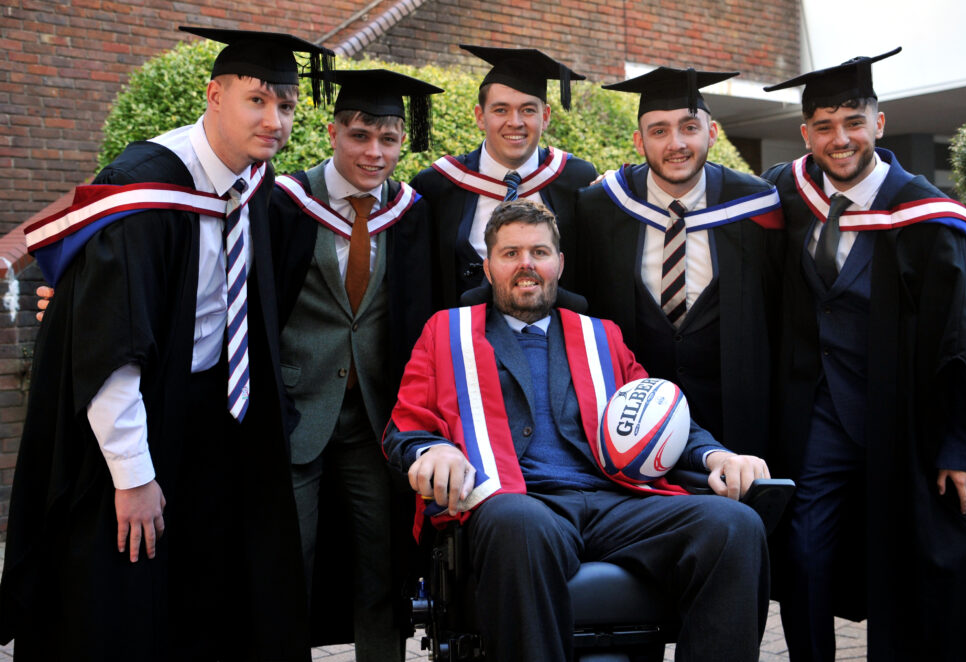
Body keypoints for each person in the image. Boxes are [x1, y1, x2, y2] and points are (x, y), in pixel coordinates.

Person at [1, 27, 333, 661]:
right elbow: (108, 347)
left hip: (218, 414)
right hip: (135, 422)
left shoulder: (253, 184)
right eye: (257, 100)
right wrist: (132, 474)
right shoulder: (143, 187)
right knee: (127, 593)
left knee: (211, 591)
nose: (274, 120)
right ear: (214, 95)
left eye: (286, 106)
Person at [383, 198, 772, 662]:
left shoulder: (601, 337)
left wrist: (718, 457)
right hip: (520, 502)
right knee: (519, 523)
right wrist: (433, 450)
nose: (526, 265)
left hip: (616, 503)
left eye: (539, 252)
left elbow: (661, 419)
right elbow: (405, 428)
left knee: (735, 525)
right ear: (487, 267)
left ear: (559, 264)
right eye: (510, 254)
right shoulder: (446, 334)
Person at [761, 48, 966, 661]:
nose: (839, 138)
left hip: (906, 420)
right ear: (805, 134)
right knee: (805, 554)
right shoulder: (788, 195)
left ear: (879, 123)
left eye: (852, 121)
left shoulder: (929, 218)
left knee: (910, 566)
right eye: (823, 125)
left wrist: (958, 446)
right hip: (821, 414)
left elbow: (956, 343)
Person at [268, 68, 442, 658]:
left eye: (388, 139)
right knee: (289, 563)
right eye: (361, 135)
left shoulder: (412, 212)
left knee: (380, 563)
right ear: (333, 132)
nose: (375, 152)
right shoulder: (284, 202)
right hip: (295, 412)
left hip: (376, 419)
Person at [575, 67, 784, 456]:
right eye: (659, 131)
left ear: (713, 132)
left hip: (732, 416)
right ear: (639, 141)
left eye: (689, 127)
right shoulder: (600, 207)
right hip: (631, 418)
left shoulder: (757, 206)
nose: (676, 143)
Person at [409, 45, 597, 306]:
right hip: (462, 339)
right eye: (501, 110)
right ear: (480, 117)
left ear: (545, 117)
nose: (515, 122)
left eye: (528, 110)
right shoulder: (437, 185)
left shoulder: (577, 180)